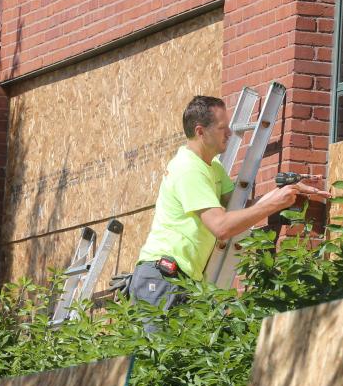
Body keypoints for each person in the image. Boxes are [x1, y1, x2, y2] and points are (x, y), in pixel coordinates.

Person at [130, 95, 330, 313]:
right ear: (200, 132)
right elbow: (221, 226)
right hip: (162, 276)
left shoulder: (212, 168)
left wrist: (288, 190)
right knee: (156, 347)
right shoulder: (188, 168)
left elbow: (240, 207)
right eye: (222, 128)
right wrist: (272, 205)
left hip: (180, 279)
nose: (229, 133)